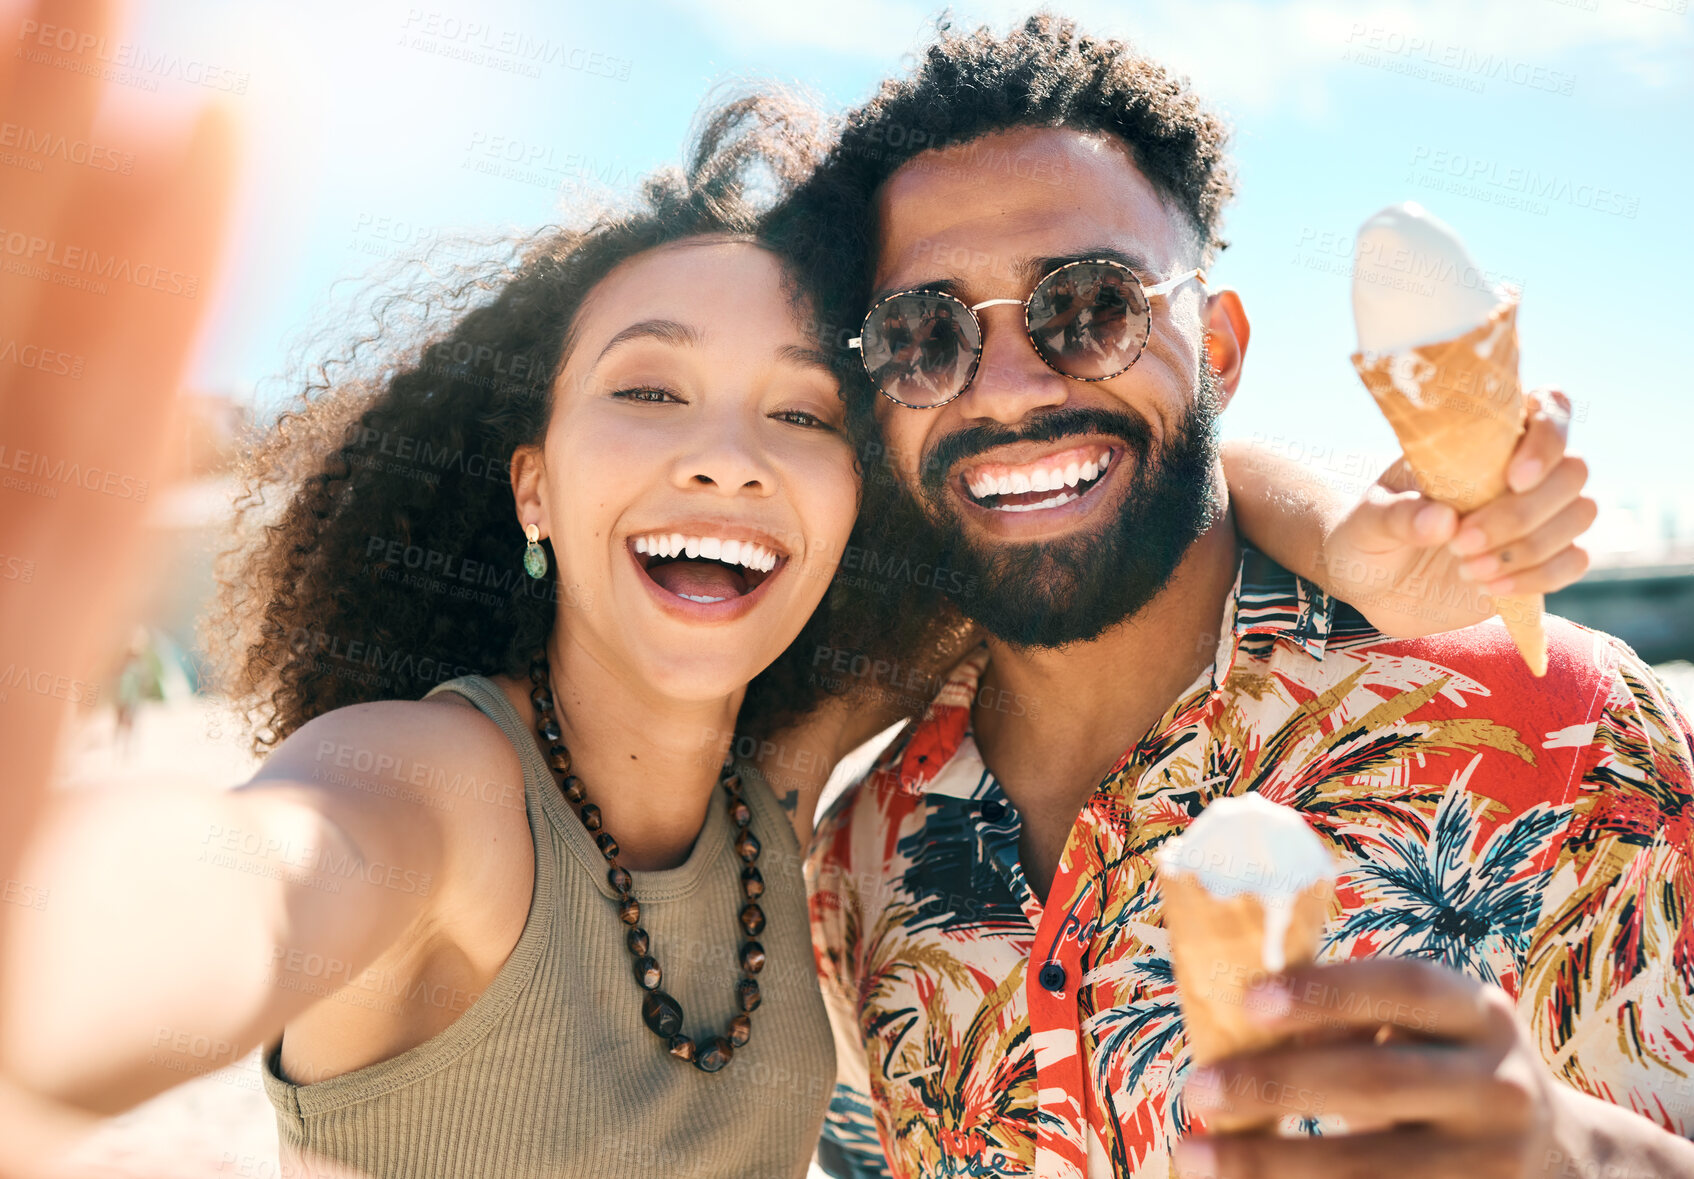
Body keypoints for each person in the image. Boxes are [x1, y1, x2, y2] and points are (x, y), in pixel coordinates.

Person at [0, 15, 1596, 1179]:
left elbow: (1086, 475)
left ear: (856, 489)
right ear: (531, 482)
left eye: (799, 410)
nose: (727, 460)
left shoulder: (796, 805)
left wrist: (1350, 541)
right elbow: (251, 886)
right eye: (647, 391)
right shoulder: (433, 789)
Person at [770, 16, 1694, 1179]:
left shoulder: (1553, 726)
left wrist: (1590, 1157)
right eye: (921, 336)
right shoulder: (856, 859)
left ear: (1218, 344)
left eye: (1090, 305)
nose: (1004, 388)